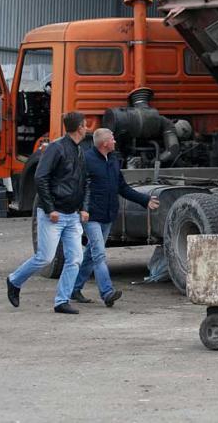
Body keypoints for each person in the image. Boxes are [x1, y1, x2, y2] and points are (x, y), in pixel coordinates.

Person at [6, 112, 88, 314]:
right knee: (45, 257)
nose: (86, 128)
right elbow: (40, 177)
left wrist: (84, 207)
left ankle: (62, 301)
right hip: (55, 214)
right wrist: (50, 208)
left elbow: (84, 182)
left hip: (71, 215)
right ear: (79, 128)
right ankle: (14, 280)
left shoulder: (78, 150)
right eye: (85, 125)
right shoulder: (56, 148)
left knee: (75, 258)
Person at [71, 128, 160, 307]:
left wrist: (145, 200)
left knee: (91, 254)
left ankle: (74, 288)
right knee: (99, 255)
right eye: (112, 139)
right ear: (104, 143)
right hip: (91, 216)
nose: (115, 142)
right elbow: (78, 187)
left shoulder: (112, 160)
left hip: (108, 215)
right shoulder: (86, 160)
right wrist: (81, 209)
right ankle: (107, 292)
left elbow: (122, 187)